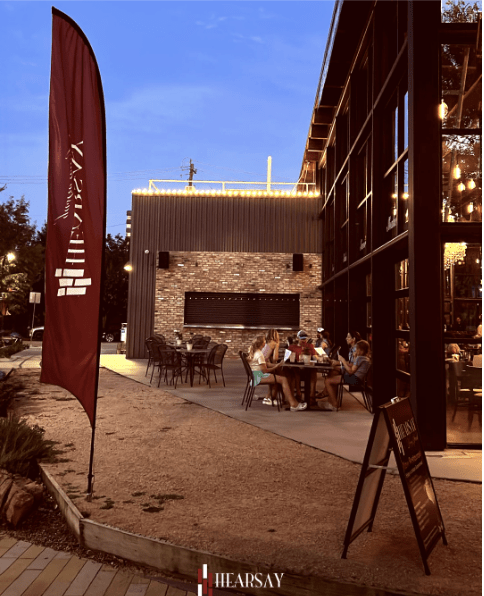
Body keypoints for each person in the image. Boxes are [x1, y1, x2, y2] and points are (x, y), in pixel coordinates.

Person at [247, 335, 307, 412]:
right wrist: (276, 367)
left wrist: (278, 365)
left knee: (282, 376)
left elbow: (267, 365)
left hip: (256, 375)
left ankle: (289, 401)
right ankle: (293, 404)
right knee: (283, 379)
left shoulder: (256, 352)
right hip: (259, 377)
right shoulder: (259, 354)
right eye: (264, 341)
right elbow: (265, 370)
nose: (266, 343)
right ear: (261, 343)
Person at [320, 340, 371, 411]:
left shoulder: (360, 358)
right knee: (333, 374)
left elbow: (350, 371)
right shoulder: (366, 358)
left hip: (354, 379)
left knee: (328, 381)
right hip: (357, 379)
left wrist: (343, 361)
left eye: (357, 349)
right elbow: (352, 366)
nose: (355, 350)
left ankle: (334, 405)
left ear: (360, 350)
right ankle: (330, 402)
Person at [286, 330, 325, 403]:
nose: (303, 340)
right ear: (298, 338)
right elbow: (286, 358)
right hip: (297, 369)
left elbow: (314, 356)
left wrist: (319, 358)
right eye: (302, 339)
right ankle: (298, 395)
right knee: (296, 371)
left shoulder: (310, 346)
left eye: (304, 338)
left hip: (308, 369)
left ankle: (312, 397)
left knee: (313, 371)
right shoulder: (292, 347)